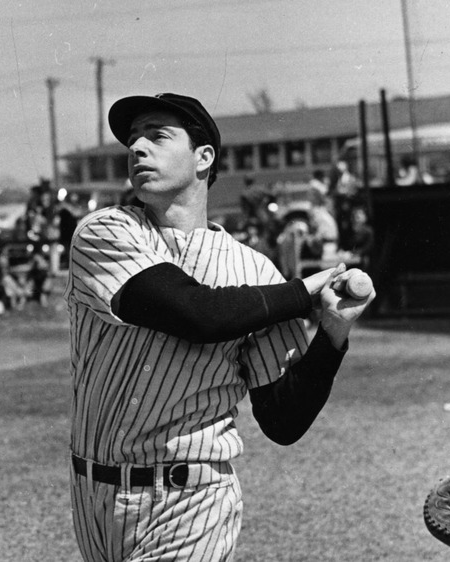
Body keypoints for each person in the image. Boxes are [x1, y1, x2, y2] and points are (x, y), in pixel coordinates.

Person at [65, 92, 375, 561]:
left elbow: (283, 420)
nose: (136, 148)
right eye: (132, 139)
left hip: (191, 502)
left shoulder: (255, 274)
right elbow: (196, 312)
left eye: (157, 135)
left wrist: (331, 334)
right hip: (92, 497)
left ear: (203, 157)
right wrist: (301, 293)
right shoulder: (104, 231)